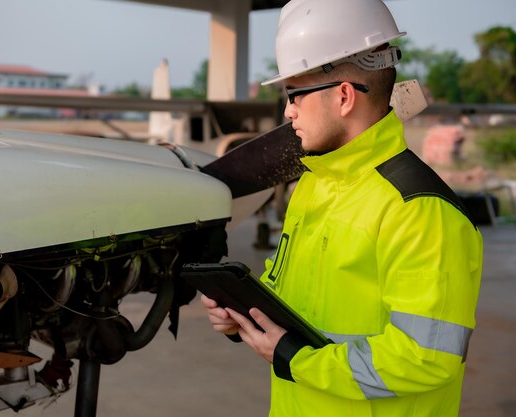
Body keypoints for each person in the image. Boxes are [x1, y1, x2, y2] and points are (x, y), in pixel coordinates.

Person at [200, 0, 483, 416]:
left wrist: (295, 359)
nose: (287, 111)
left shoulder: (420, 211)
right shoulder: (314, 184)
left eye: (294, 94)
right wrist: (243, 315)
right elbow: (294, 296)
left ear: (345, 96)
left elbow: (426, 358)